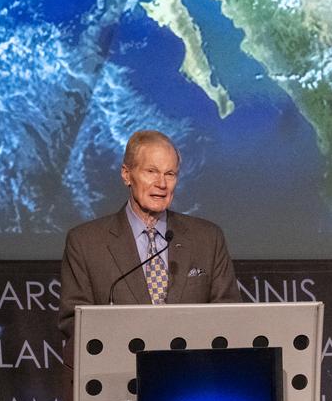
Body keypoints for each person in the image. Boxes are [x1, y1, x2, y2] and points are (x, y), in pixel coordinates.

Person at [57, 130, 240, 350]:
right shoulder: (86, 243)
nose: (161, 183)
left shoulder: (208, 238)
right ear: (126, 174)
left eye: (170, 174)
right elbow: (75, 323)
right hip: (119, 373)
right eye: (151, 171)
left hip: (192, 373)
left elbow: (229, 315)